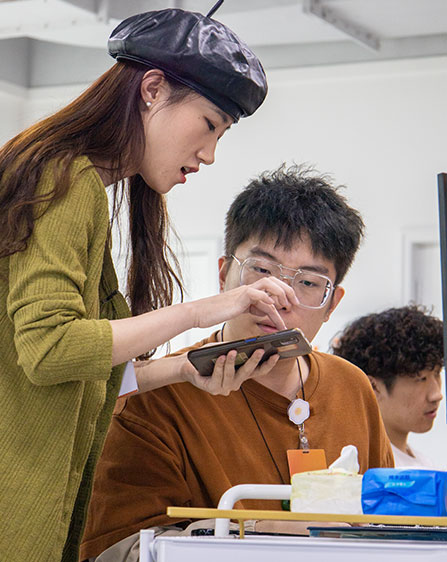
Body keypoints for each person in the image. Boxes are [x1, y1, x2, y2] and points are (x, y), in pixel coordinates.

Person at [0, 8, 302, 562]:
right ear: (153, 89)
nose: (210, 154)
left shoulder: (75, 182)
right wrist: (205, 310)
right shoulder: (65, 180)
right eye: (209, 124)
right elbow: (50, 351)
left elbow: (77, 374)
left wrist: (183, 370)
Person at [80, 165, 394, 561]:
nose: (278, 297)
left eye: (308, 283)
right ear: (223, 274)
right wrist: (261, 532)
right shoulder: (156, 396)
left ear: (332, 303)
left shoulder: (352, 386)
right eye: (261, 270)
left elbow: (389, 521)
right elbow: (119, 549)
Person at [332, 305, 444, 468]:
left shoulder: (423, 463)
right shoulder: (363, 469)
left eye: (437, 373)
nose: (437, 395)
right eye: (421, 379)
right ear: (373, 387)